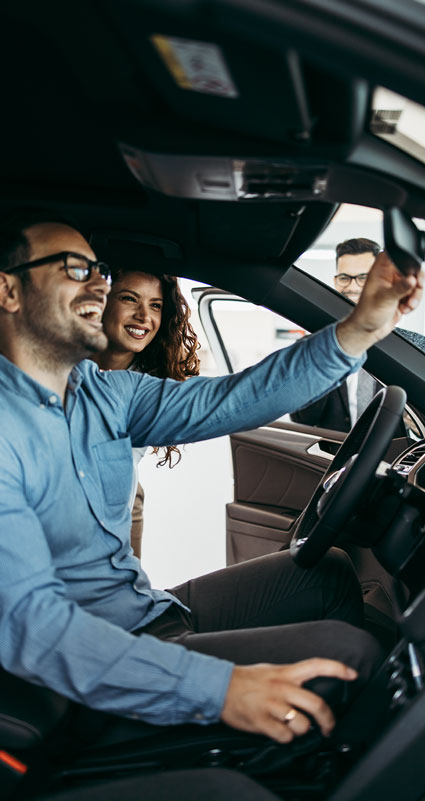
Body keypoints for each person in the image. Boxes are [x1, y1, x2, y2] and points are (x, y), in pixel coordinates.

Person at [0, 212, 421, 752]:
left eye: (100, 269)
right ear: (9, 291)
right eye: (76, 268)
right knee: (346, 657)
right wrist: (221, 688)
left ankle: (295, 755)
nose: (100, 282)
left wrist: (361, 326)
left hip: (145, 611)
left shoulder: (109, 394)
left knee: (326, 573)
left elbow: (238, 398)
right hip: (90, 666)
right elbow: (35, 629)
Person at [94, 268, 200, 558]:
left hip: (118, 503)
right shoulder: (58, 362)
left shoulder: (151, 388)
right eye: (130, 299)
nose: (144, 316)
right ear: (101, 300)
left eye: (155, 305)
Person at [291, 238, 382, 431]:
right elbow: (301, 419)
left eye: (364, 277)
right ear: (335, 281)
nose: (353, 287)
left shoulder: (406, 344)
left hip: (391, 457)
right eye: (344, 278)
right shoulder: (313, 344)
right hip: (333, 457)